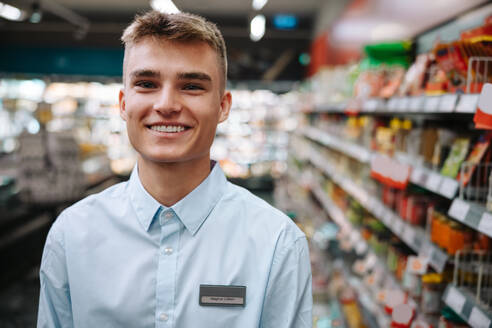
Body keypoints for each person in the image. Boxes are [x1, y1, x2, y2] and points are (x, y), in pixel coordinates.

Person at [37, 10, 312, 328]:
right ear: (124, 104)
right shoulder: (71, 236)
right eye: (146, 83)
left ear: (223, 106)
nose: (166, 105)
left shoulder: (277, 243)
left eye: (192, 86)